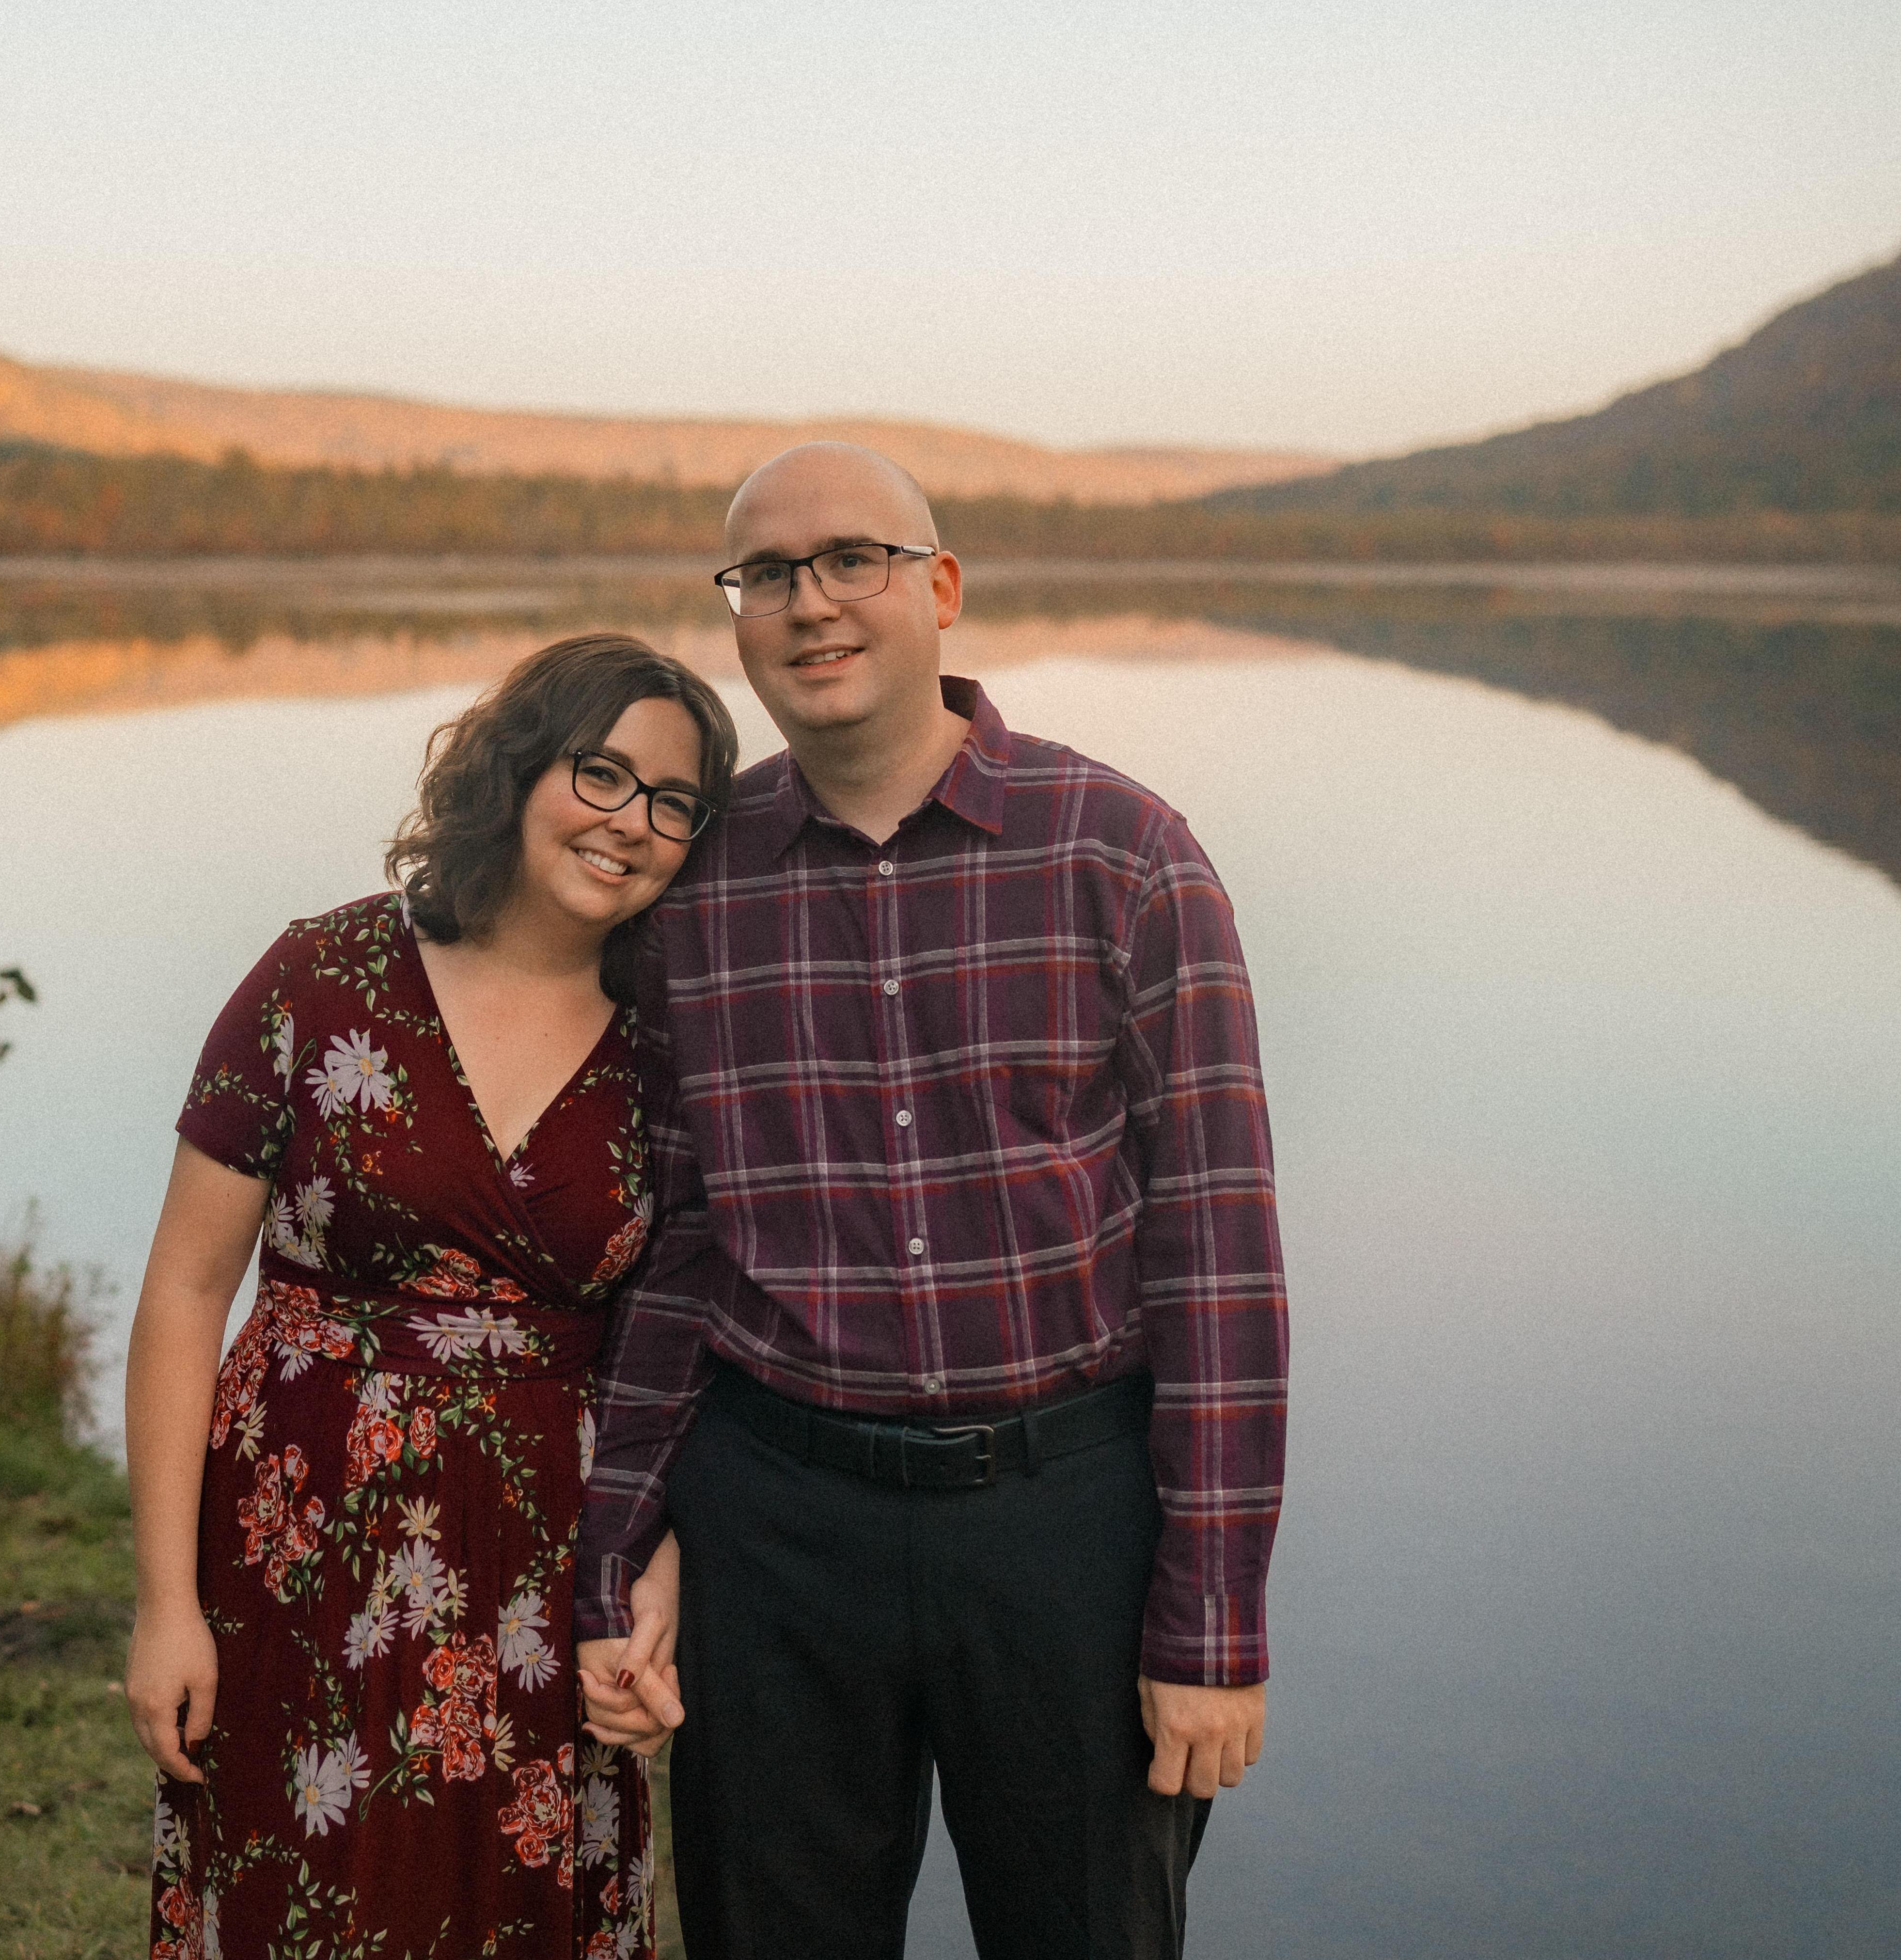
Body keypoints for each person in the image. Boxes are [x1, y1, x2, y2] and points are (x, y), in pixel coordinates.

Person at [573, 446, 1289, 1960]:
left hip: (1064, 1521)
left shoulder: (1125, 853)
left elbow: (1215, 1262)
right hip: (774, 1525)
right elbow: (678, 1251)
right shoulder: (692, 892)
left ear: (939, 589)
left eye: (852, 560)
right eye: (764, 575)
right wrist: (618, 1537)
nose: (807, 603)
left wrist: (1210, 1622)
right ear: (736, 618)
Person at [126, 632, 734, 1960]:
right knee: (303, 1894)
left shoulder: (669, 1046)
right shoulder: (320, 976)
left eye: (673, 803)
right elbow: (184, 1288)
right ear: (519, 770)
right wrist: (165, 1602)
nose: (631, 825)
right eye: (603, 774)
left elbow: (673, 1339)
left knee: (515, 1906)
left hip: (543, 1553)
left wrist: (654, 1558)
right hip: (297, 1538)